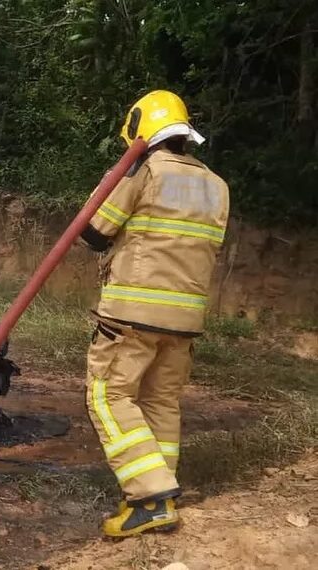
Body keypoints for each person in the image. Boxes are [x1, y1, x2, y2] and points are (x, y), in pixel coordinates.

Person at [80, 90, 230, 537]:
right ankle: (160, 495)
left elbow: (92, 231)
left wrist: (119, 174)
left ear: (140, 130)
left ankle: (148, 498)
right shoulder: (217, 185)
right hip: (184, 322)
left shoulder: (142, 172)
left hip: (131, 315)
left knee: (107, 396)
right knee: (161, 401)